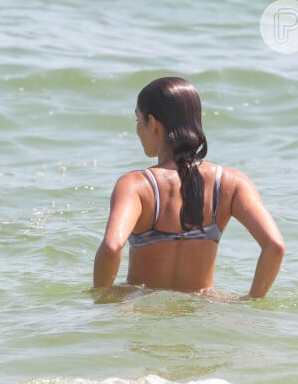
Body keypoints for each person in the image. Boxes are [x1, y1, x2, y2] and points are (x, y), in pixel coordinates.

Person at [93, 77, 284, 299]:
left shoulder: (135, 185)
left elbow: (111, 247)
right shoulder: (232, 183)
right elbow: (275, 246)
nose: (137, 129)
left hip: (145, 316)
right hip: (203, 315)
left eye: (138, 119)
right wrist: (251, 300)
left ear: (153, 123)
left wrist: (101, 299)